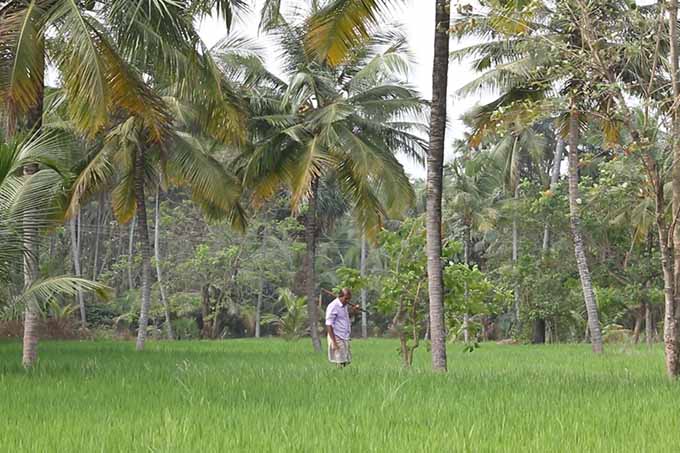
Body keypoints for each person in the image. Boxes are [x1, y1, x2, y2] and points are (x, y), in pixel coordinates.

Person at [325, 288, 353, 367]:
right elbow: (328, 324)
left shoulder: (344, 306)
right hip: (336, 336)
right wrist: (334, 342)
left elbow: (344, 318)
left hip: (344, 336)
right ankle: (337, 376)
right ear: (340, 296)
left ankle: (342, 376)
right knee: (340, 361)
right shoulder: (333, 306)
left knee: (346, 360)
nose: (347, 301)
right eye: (346, 298)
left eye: (349, 299)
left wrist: (354, 310)